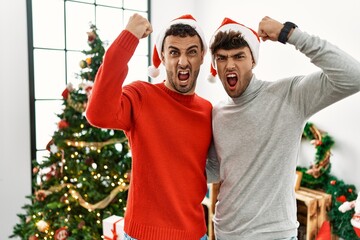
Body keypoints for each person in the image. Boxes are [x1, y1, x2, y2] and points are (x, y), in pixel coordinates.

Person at [206, 16, 360, 239]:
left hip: (274, 234)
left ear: (253, 61)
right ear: (215, 65)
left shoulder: (289, 95)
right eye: (222, 58)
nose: (230, 64)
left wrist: (290, 34)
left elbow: (353, 76)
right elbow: (213, 170)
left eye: (239, 56)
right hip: (225, 232)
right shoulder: (217, 113)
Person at [86, 13, 212, 240]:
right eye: (174, 52)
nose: (182, 61)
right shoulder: (141, 96)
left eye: (191, 52)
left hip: (195, 235)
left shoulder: (208, 111)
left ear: (202, 56)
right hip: (142, 235)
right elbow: (97, 113)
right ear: (162, 57)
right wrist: (127, 39)